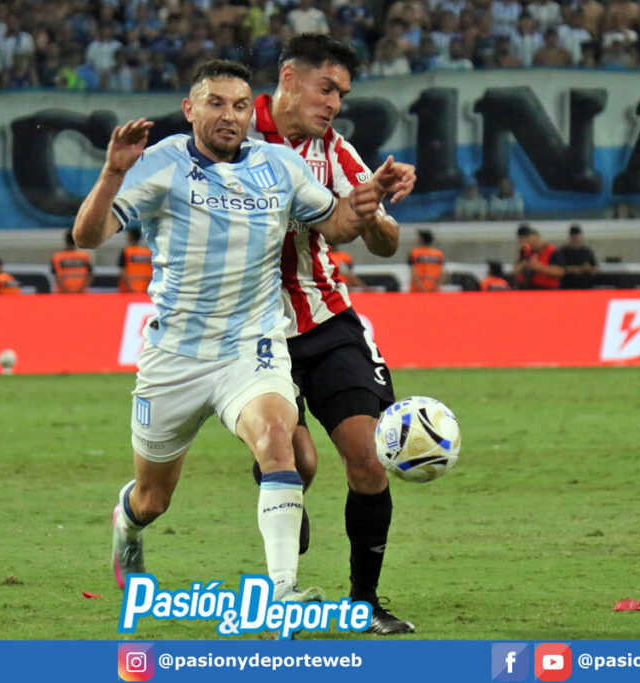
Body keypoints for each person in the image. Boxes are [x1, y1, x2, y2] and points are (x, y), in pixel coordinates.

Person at [73, 60, 409, 603]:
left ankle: (283, 594)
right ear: (190, 110)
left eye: (239, 105)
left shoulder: (279, 166)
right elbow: (87, 237)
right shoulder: (160, 163)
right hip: (175, 356)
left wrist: (367, 201)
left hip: (251, 347)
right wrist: (112, 172)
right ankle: (128, 523)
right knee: (154, 499)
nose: (229, 116)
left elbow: (338, 223)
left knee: (278, 442)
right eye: (215, 104)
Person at [246, 34, 418, 634]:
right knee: (298, 461)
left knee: (369, 458)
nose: (334, 104)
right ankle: (284, 512)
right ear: (289, 78)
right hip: (254, 330)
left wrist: (373, 207)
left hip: (325, 318)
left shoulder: (337, 152)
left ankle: (364, 603)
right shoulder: (236, 131)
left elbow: (386, 241)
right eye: (326, 89)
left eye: (342, 94)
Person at [51, 229, 93, 293]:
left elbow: (57, 276)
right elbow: (89, 276)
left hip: (63, 294)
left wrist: (67, 291)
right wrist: (80, 290)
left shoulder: (57, 257)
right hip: (81, 294)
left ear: (65, 241)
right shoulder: (84, 256)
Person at [557, 224, 598, 289]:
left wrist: (589, 269)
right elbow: (559, 269)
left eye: (577, 237)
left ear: (581, 237)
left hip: (585, 286)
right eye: (573, 237)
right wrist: (576, 269)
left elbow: (595, 268)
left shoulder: (587, 251)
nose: (576, 239)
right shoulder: (562, 251)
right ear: (570, 238)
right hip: (568, 285)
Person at [117, 226, 152, 293]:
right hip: (145, 291)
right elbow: (151, 273)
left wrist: (132, 290)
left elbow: (123, 273)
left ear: (129, 237)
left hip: (128, 292)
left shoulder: (126, 252)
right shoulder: (147, 252)